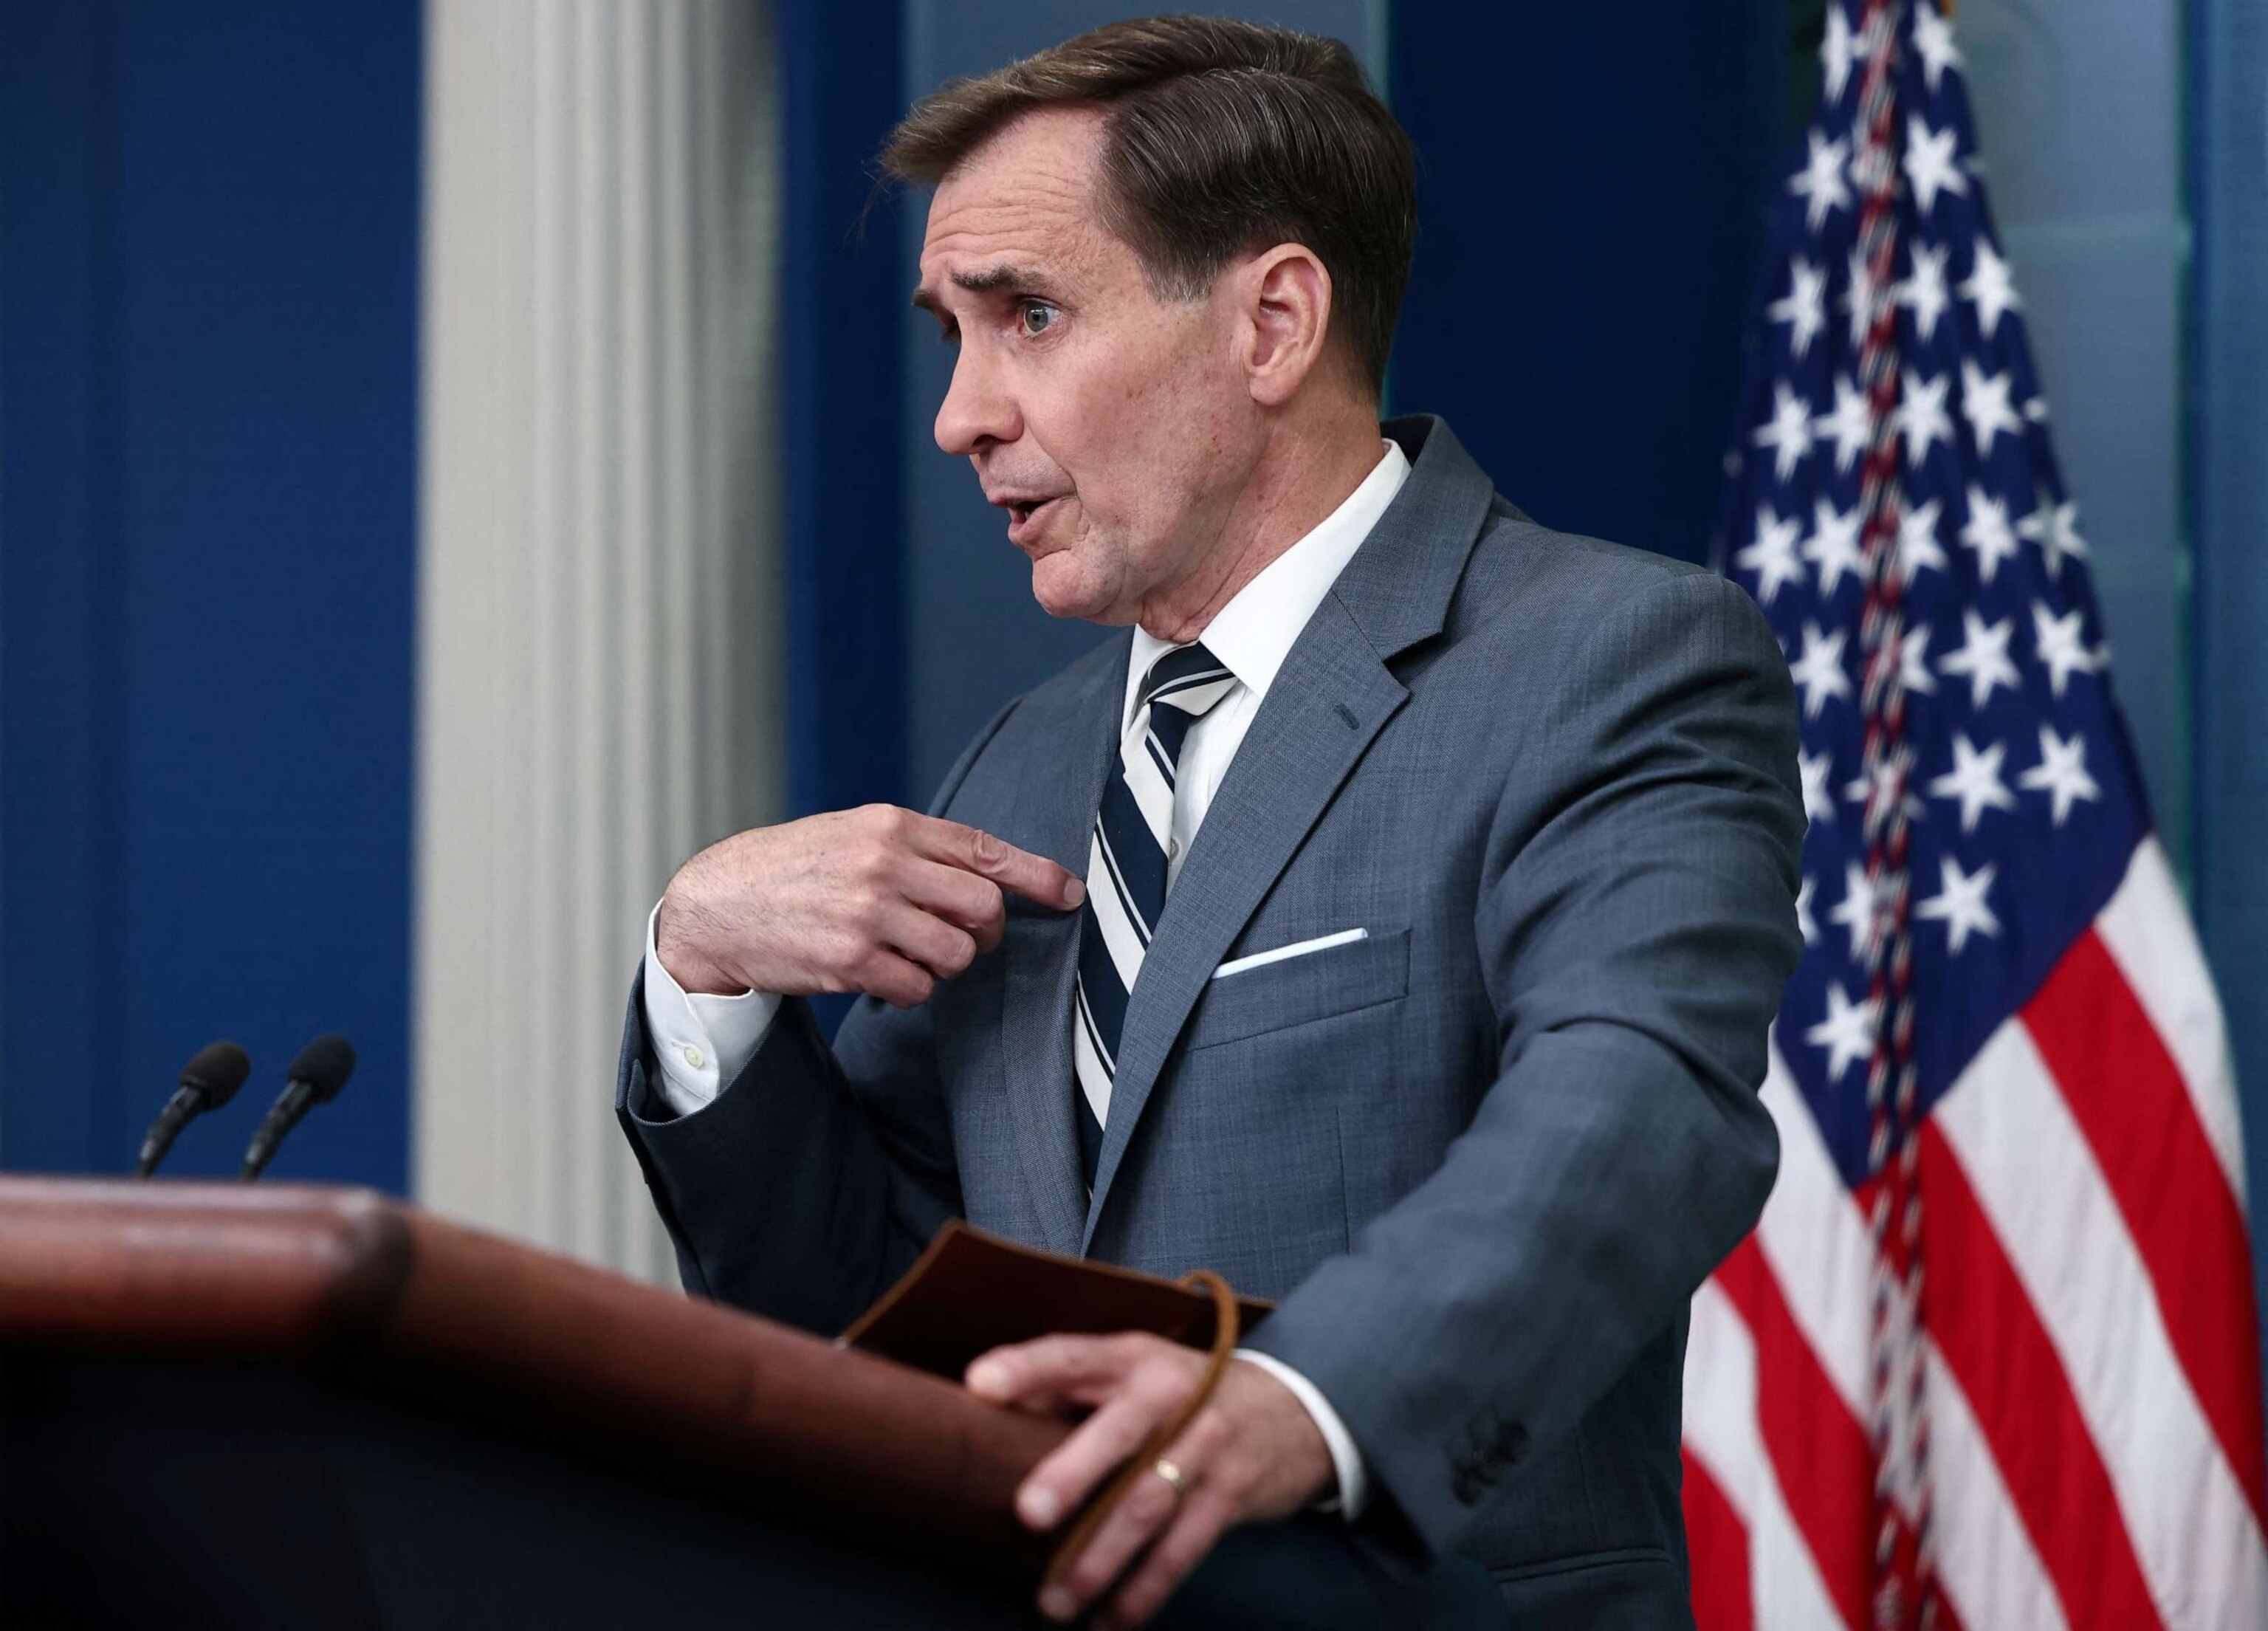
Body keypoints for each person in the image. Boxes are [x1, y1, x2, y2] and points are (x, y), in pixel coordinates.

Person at [616, 16, 1803, 1629]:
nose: (962, 412)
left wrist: (1300, 1398)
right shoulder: (1019, 768)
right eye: (949, 335)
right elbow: (871, 1316)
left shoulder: (1611, 660)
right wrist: (701, 975)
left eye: (1027, 315)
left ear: (1272, 323)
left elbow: (1637, 1100)